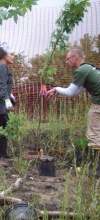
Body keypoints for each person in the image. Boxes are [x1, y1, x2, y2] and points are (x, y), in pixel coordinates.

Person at [46, 47, 100, 177]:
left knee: (94, 135)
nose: (66, 62)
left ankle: (96, 170)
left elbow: (70, 92)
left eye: (67, 59)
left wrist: (56, 89)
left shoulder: (81, 70)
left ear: (75, 57)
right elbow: (75, 92)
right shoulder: (89, 68)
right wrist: (57, 90)